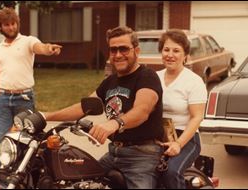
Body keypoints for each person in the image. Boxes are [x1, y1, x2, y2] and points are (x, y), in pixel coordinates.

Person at [44, 26, 164, 189]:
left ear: (137, 50)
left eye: (124, 49)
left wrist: (114, 124)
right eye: (113, 50)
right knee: (77, 180)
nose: (118, 55)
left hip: (142, 156)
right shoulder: (110, 82)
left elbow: (142, 111)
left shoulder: (147, 76)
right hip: (114, 153)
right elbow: (83, 107)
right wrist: (45, 116)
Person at [0, 7, 62, 171]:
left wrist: (48, 48)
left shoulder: (28, 41)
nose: (11, 27)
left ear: (18, 23)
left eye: (13, 23)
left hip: (24, 99)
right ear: (0, 27)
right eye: (6, 25)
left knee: (24, 140)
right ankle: (2, 179)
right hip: (3, 101)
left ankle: (22, 178)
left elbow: (40, 47)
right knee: (1, 141)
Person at [156, 29, 207, 188]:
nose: (170, 54)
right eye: (166, 49)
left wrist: (178, 143)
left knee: (171, 172)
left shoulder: (193, 81)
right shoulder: (154, 77)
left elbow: (197, 117)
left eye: (176, 50)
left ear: (185, 56)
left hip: (186, 138)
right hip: (159, 136)